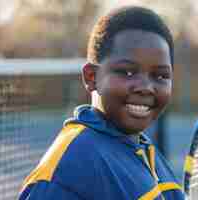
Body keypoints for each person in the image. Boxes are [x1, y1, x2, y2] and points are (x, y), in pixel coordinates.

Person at [19, 6, 185, 200]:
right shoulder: (68, 170)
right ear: (91, 77)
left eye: (160, 75)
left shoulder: (144, 150)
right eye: (127, 72)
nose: (146, 87)